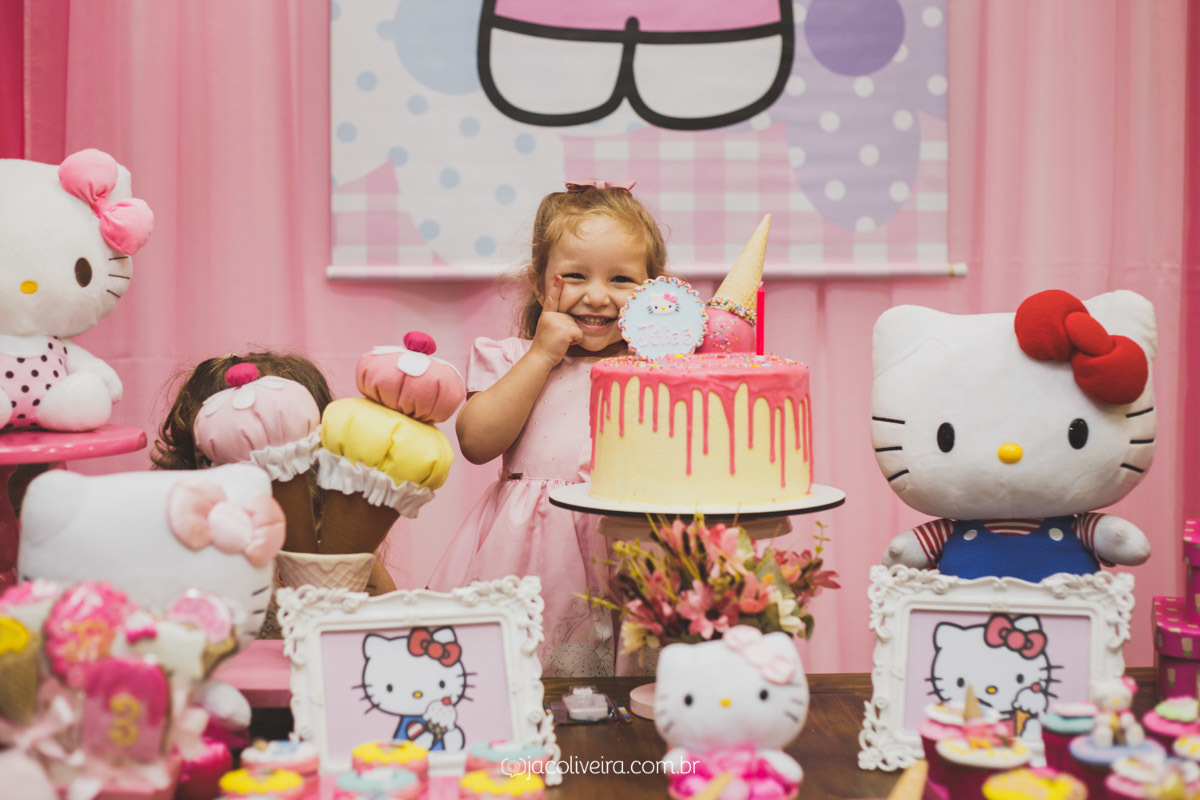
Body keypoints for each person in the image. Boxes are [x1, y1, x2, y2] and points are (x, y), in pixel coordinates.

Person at [428, 182, 667, 677]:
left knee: (623, 693)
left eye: (621, 279)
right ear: (539, 285)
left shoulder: (659, 371)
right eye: (575, 275)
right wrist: (542, 354)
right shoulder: (513, 358)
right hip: (528, 556)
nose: (597, 296)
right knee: (521, 679)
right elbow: (475, 441)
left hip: (626, 551)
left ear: (655, 291)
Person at [152, 350, 396, 596]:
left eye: (269, 457)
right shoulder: (189, 562)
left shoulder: (344, 560)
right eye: (208, 459)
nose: (244, 477)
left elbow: (392, 627)